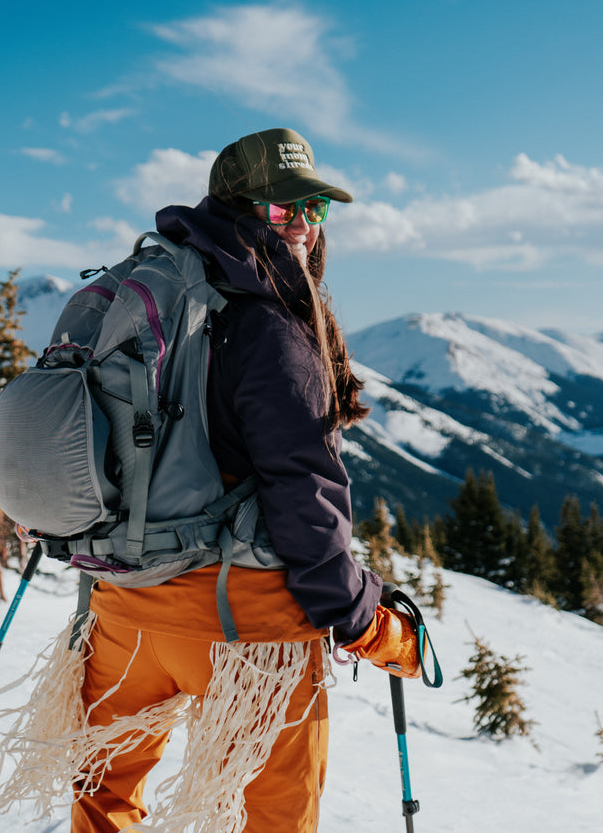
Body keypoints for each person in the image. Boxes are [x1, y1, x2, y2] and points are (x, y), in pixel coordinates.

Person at [68, 127, 423, 833]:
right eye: (281, 208)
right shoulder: (267, 322)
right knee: (272, 817)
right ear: (236, 209)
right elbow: (303, 490)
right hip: (242, 630)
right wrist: (362, 621)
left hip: (123, 609)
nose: (302, 225)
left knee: (103, 798)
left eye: (314, 208)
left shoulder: (143, 292)